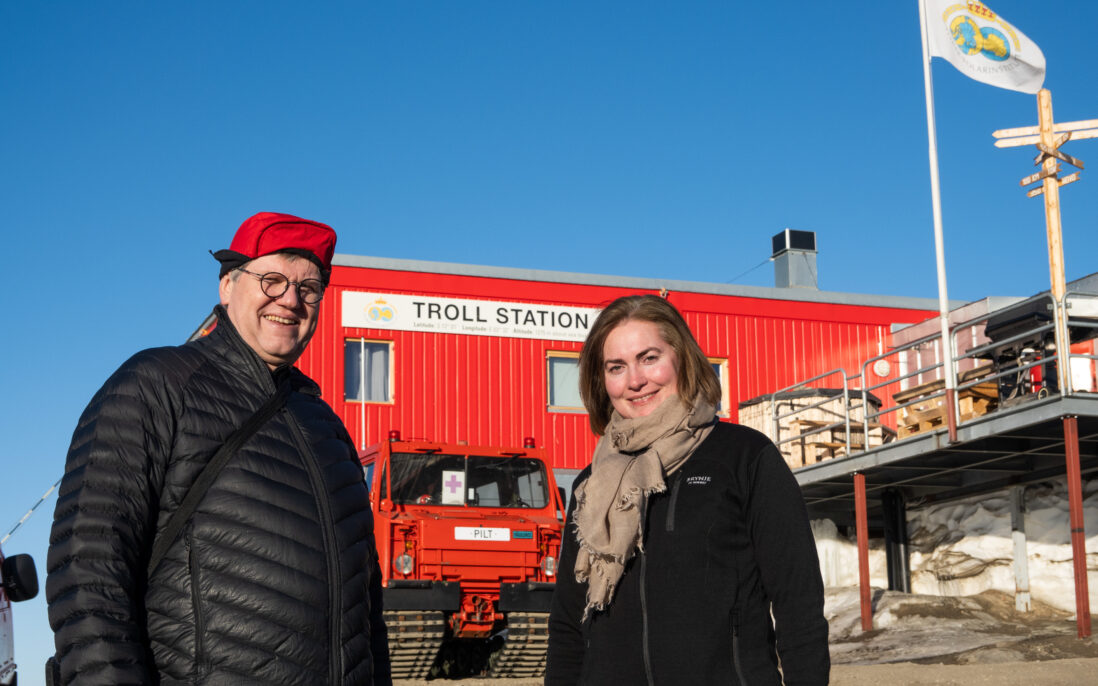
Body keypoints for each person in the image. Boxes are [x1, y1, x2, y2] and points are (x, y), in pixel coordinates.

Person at [46, 212, 392, 685]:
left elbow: (367, 610)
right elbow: (88, 565)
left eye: (309, 289)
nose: (290, 300)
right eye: (272, 280)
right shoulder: (156, 386)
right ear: (228, 285)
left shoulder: (328, 430)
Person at [546, 294, 829, 685]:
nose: (635, 381)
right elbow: (567, 625)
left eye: (649, 358)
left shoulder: (744, 457)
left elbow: (798, 600)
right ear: (601, 380)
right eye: (616, 367)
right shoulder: (591, 484)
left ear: (681, 358)